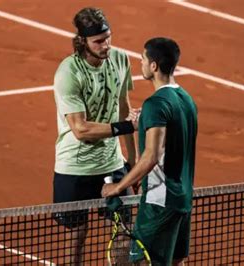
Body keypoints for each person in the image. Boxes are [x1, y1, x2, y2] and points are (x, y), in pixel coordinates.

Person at [102, 37, 198, 265]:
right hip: (183, 199)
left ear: (154, 66)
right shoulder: (186, 99)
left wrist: (119, 185)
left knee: (141, 262)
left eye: (143, 59)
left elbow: (152, 156)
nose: (141, 63)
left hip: (159, 202)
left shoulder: (155, 104)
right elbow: (172, 141)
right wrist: (145, 119)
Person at [52, 7, 137, 265]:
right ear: (82, 42)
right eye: (99, 41)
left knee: (124, 229)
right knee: (76, 236)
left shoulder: (120, 60)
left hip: (111, 164)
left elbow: (124, 108)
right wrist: (124, 128)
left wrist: (132, 160)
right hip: (74, 167)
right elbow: (80, 129)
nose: (106, 45)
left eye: (108, 37)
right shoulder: (68, 72)